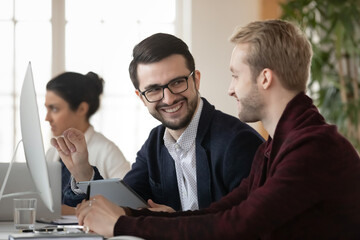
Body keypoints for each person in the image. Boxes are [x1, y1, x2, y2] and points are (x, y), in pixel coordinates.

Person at [54, 19, 360, 239]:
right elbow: (222, 213)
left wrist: (123, 225)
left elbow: (238, 226)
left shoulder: (310, 147)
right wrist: (122, 212)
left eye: (235, 75)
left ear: (264, 78)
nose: (229, 89)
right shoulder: (278, 146)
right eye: (154, 90)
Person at [56, 33, 264, 211]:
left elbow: (246, 226)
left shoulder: (238, 142)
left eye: (177, 82)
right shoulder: (155, 143)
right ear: (141, 97)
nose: (169, 98)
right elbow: (121, 206)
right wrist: (82, 171)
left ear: (196, 79)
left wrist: (171, 224)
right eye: (154, 89)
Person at [45, 71, 130, 204]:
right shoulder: (52, 153)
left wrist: (66, 211)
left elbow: (128, 202)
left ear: (82, 109)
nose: (47, 118)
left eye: (54, 109)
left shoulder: (107, 151)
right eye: (47, 109)